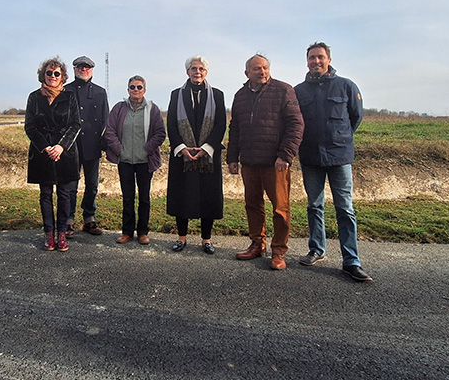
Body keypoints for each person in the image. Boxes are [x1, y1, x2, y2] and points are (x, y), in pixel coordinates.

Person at [294, 42, 372, 282]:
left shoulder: (346, 86)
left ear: (328, 60)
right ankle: (317, 250)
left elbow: (355, 117)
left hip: (339, 157)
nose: (316, 61)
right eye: (311, 58)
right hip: (311, 157)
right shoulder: (299, 91)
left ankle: (351, 261)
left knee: (345, 208)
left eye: (320, 57)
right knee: (314, 206)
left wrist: (339, 138)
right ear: (307, 61)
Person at [227, 54, 303, 270]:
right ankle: (257, 244)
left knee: (280, 208)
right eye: (257, 68)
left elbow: (296, 124)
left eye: (265, 68)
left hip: (275, 162)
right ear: (247, 73)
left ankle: (278, 251)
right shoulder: (240, 96)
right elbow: (235, 128)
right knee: (252, 204)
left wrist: (285, 155)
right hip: (249, 162)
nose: (262, 72)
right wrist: (232, 157)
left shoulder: (283, 90)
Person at [166, 56, 227, 254]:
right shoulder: (176, 94)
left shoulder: (217, 95)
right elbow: (171, 124)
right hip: (183, 156)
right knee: (182, 195)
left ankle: (206, 240)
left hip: (208, 157)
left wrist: (207, 148)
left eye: (201, 69)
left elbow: (221, 124)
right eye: (193, 68)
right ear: (187, 72)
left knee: (208, 197)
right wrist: (181, 147)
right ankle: (181, 238)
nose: (197, 72)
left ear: (206, 72)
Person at [25, 57, 82, 252]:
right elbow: (30, 126)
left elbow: (75, 125)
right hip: (42, 152)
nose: (52, 76)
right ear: (43, 75)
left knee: (65, 194)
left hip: (64, 152)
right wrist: (45, 147)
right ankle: (49, 234)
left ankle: (62, 234)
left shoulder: (70, 97)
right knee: (45, 194)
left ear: (62, 77)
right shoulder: (34, 97)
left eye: (56, 73)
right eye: (49, 73)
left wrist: (61, 147)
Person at [104, 75, 166, 245]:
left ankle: (143, 232)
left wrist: (147, 150)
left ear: (144, 90)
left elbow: (160, 133)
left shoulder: (152, 109)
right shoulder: (119, 108)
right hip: (125, 161)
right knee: (127, 198)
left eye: (139, 87)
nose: (136, 90)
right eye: (132, 87)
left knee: (144, 198)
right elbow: (110, 131)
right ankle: (127, 232)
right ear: (128, 90)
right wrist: (119, 150)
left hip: (145, 162)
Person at [65, 55, 109, 236]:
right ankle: (68, 220)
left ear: (92, 70)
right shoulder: (65, 91)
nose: (83, 70)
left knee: (92, 185)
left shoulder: (100, 92)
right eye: (80, 67)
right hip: (71, 146)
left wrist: (105, 143)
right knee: (70, 186)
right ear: (74, 69)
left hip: (92, 145)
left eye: (87, 67)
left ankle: (89, 219)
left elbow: (106, 120)